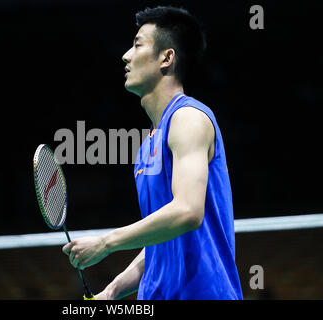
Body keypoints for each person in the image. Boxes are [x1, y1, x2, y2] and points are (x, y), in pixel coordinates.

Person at [62, 6, 243, 300]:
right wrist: (111, 291)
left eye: (137, 45)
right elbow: (161, 242)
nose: (126, 56)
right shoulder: (148, 143)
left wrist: (107, 242)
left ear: (166, 58)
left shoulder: (189, 119)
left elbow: (188, 211)